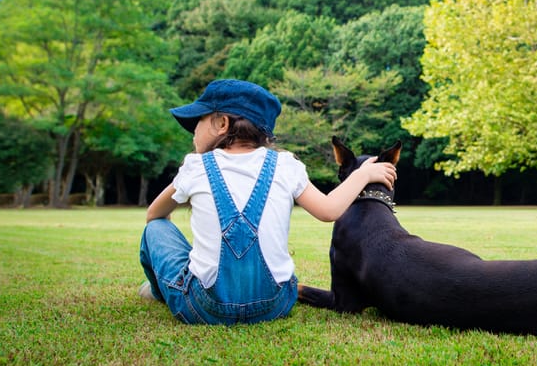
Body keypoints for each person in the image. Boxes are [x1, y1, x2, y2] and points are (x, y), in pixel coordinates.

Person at [138, 78, 396, 325]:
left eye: (198, 121)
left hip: (204, 307)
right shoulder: (286, 165)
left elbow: (154, 215)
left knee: (156, 229)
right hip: (275, 305)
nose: (193, 132)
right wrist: (362, 174)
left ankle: (160, 292)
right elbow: (329, 210)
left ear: (221, 123)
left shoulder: (195, 166)